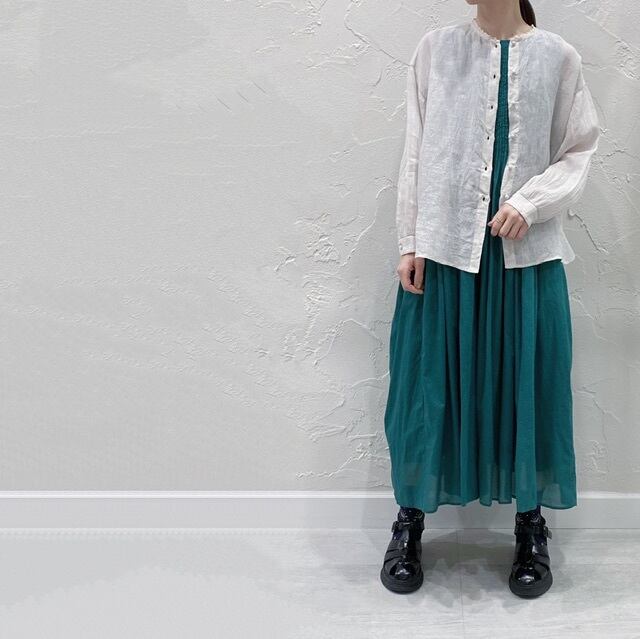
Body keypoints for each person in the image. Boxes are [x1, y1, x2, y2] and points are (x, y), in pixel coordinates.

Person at [380, 0, 600, 598]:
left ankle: (531, 525)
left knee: (528, 386)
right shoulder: (435, 50)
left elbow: (579, 148)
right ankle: (410, 520)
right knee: (425, 389)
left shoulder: (558, 57)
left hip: (523, 257)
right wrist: (410, 241)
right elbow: (416, 148)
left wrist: (531, 202)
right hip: (444, 250)